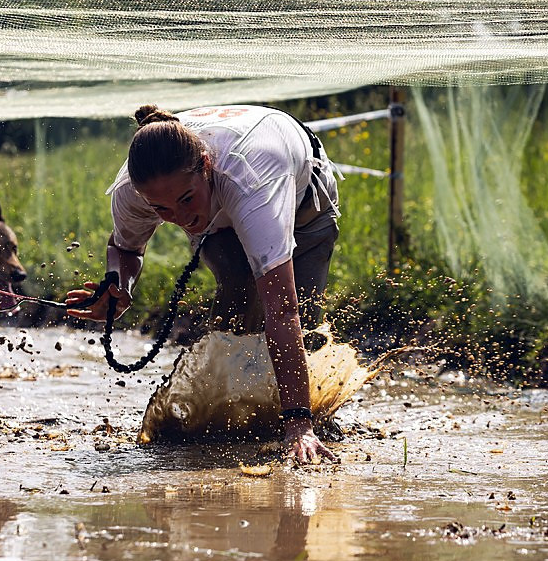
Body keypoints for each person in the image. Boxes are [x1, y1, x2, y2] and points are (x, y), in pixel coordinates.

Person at [65, 104, 341, 464]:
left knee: (300, 311)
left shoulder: (251, 180)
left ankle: (309, 422)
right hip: (220, 209)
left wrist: (298, 425)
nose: (180, 218)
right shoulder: (132, 192)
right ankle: (231, 413)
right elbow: (125, 249)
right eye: (162, 210)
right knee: (237, 297)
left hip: (303, 202)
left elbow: (283, 310)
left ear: (206, 167)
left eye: (185, 200)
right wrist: (120, 288)